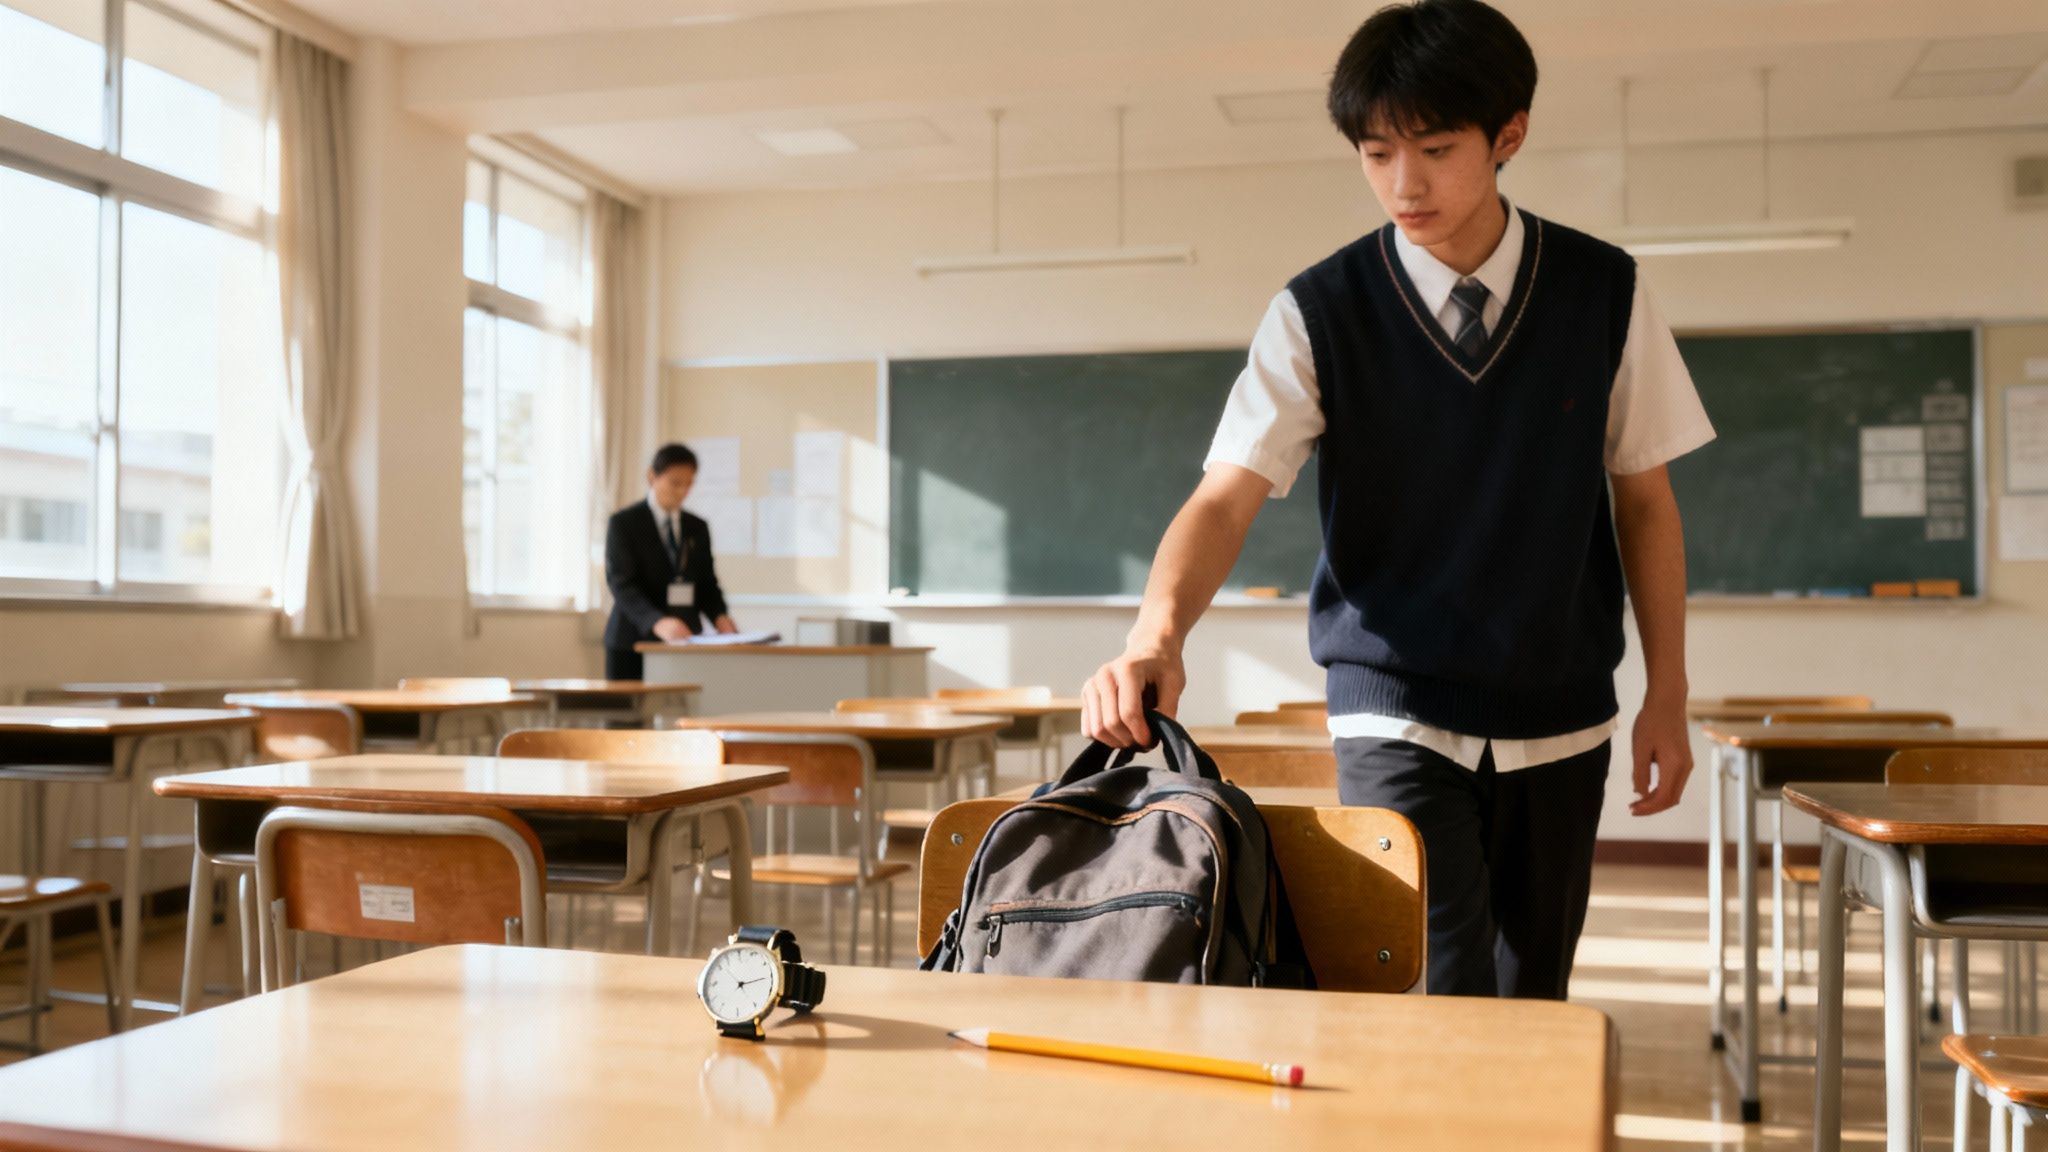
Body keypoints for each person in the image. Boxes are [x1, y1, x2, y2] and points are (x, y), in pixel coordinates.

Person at [1081, 0, 1715, 1000]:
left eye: (1433, 147)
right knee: (1434, 989)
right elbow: (1226, 494)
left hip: (1561, 707)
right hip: (1395, 709)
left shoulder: (1604, 293)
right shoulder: (1317, 312)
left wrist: (1666, 693)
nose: (1402, 183)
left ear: (1507, 136)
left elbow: (1644, 502)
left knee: (1531, 992)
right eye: (1375, 153)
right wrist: (1155, 634)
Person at [603, 443, 738, 680]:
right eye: (676, 483)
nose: (683, 491)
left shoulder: (697, 527)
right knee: (628, 715)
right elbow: (622, 584)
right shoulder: (624, 523)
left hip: (684, 641)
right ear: (652, 476)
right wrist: (657, 622)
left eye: (689, 484)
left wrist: (720, 616)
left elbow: (706, 582)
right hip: (632, 640)